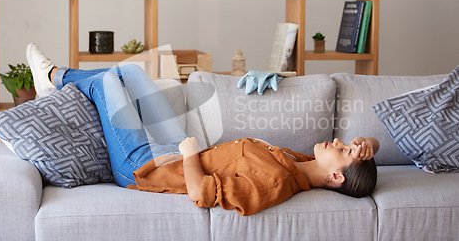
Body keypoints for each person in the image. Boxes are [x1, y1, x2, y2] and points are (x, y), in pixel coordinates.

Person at [27, 43, 379, 216]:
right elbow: (367, 150)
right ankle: (55, 80)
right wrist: (367, 145)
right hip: (174, 146)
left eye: (344, 150)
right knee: (131, 72)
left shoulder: (277, 184)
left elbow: (202, 195)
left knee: (108, 82)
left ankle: (55, 78)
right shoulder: (297, 162)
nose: (338, 140)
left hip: (146, 166)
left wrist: (191, 154)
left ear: (335, 178)